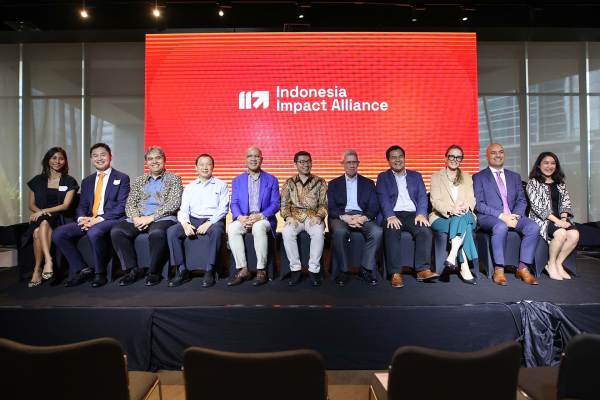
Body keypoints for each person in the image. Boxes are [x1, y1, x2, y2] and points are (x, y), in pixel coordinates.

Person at [52, 143, 130, 287]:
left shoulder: (122, 178)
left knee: (94, 233)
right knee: (58, 233)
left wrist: (98, 220)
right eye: (95, 156)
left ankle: (100, 274)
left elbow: (121, 207)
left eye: (103, 155)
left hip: (111, 219)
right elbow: (82, 205)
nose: (99, 158)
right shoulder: (87, 181)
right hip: (89, 219)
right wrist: (82, 219)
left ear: (110, 157)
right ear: (91, 159)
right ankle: (83, 269)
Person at [111, 146, 183, 287]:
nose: (154, 161)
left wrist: (151, 218)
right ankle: (133, 270)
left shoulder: (174, 179)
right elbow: (130, 203)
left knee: (156, 233)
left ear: (164, 160)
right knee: (117, 231)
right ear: (146, 162)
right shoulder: (139, 180)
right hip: (139, 217)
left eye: (158, 158)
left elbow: (173, 204)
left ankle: (154, 272)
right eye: (150, 159)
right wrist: (136, 218)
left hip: (163, 218)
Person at [473, 143, 539, 286]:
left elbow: (522, 200)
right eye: (494, 153)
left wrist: (515, 215)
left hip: (513, 216)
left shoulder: (514, 176)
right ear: (487, 156)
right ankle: (499, 269)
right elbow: (479, 204)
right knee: (501, 227)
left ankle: (523, 268)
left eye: (501, 152)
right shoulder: (479, 177)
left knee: (533, 227)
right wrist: (502, 216)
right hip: (490, 217)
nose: (498, 155)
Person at [376, 145, 438, 288]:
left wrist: (422, 213)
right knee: (391, 230)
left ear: (404, 158)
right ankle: (396, 273)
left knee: (425, 230)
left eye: (400, 156)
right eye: (393, 157)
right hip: (393, 213)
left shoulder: (416, 176)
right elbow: (382, 198)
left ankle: (422, 270)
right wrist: (390, 215)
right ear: (388, 161)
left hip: (412, 214)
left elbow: (423, 196)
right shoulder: (383, 177)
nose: (397, 160)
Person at [166, 154, 228, 288]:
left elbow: (223, 209)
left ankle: (210, 270)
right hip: (192, 219)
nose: (205, 167)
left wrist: (209, 222)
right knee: (172, 231)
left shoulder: (221, 185)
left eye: (208, 164)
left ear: (213, 167)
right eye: (201, 164)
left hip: (212, 220)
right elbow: (183, 210)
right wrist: (185, 223)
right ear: (196, 167)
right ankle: (182, 270)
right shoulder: (190, 187)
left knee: (217, 231)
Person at [24, 147, 78, 287]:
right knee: (39, 227)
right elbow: (31, 204)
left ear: (65, 161)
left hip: (60, 218)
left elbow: (65, 206)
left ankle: (39, 268)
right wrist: (40, 212)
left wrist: (42, 212)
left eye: (61, 158)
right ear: (48, 160)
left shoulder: (69, 181)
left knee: (39, 230)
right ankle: (46, 262)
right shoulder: (37, 180)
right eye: (54, 158)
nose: (57, 161)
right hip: (42, 217)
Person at [328, 149, 382, 286]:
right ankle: (344, 270)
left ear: (358, 164)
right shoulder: (334, 184)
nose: (352, 165)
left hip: (361, 216)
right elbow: (331, 207)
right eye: (348, 162)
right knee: (340, 232)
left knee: (377, 232)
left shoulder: (368, 183)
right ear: (343, 164)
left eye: (354, 162)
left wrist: (363, 218)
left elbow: (374, 206)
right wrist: (345, 218)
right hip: (342, 217)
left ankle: (365, 269)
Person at [227, 146, 280, 287]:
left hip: (264, 219)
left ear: (261, 159)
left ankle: (261, 270)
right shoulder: (237, 180)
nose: (253, 159)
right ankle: (243, 269)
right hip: (244, 217)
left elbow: (275, 204)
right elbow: (234, 203)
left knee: (258, 227)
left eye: (256, 156)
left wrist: (260, 216)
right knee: (232, 229)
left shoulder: (272, 180)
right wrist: (240, 217)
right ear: (245, 160)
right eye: (250, 156)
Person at [429, 145, 477, 285]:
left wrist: (464, 208)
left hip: (464, 213)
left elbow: (471, 199)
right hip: (441, 217)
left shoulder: (467, 177)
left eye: (458, 157)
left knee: (462, 218)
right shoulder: (436, 177)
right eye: (451, 156)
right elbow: (435, 201)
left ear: (461, 159)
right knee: (464, 225)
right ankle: (464, 266)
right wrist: (451, 209)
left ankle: (452, 254)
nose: (454, 159)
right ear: (446, 157)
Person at [526, 152, 579, 280]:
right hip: (541, 219)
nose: (549, 166)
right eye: (546, 163)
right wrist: (558, 222)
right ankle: (550, 263)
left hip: (560, 219)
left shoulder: (560, 183)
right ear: (539, 165)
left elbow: (566, 203)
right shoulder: (533, 183)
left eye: (552, 163)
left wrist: (564, 219)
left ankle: (558, 263)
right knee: (561, 233)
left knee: (574, 235)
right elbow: (538, 207)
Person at [280, 151, 327, 286]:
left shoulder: (320, 181)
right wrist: (288, 217)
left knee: (318, 232)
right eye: (302, 162)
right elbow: (283, 204)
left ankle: (314, 270)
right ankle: (295, 269)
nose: (305, 164)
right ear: (295, 164)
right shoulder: (289, 182)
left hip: (313, 217)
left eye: (308, 161)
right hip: (294, 217)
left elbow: (324, 204)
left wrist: (319, 216)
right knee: (287, 232)